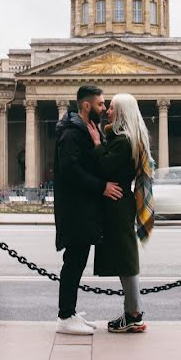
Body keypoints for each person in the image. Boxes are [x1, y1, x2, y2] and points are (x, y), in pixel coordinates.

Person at [53, 85, 122, 335]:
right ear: (86, 105)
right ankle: (64, 316)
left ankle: (69, 312)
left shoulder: (83, 130)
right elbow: (70, 171)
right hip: (75, 209)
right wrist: (101, 187)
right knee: (73, 262)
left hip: (81, 207)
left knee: (77, 261)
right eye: (101, 104)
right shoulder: (72, 134)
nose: (104, 109)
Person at [93, 93, 153, 333]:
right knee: (123, 259)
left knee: (126, 260)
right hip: (121, 202)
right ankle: (132, 312)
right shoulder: (126, 139)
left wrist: (96, 142)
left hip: (117, 204)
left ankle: (134, 315)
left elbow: (102, 167)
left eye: (112, 108)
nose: (107, 111)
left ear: (122, 113)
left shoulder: (123, 141)